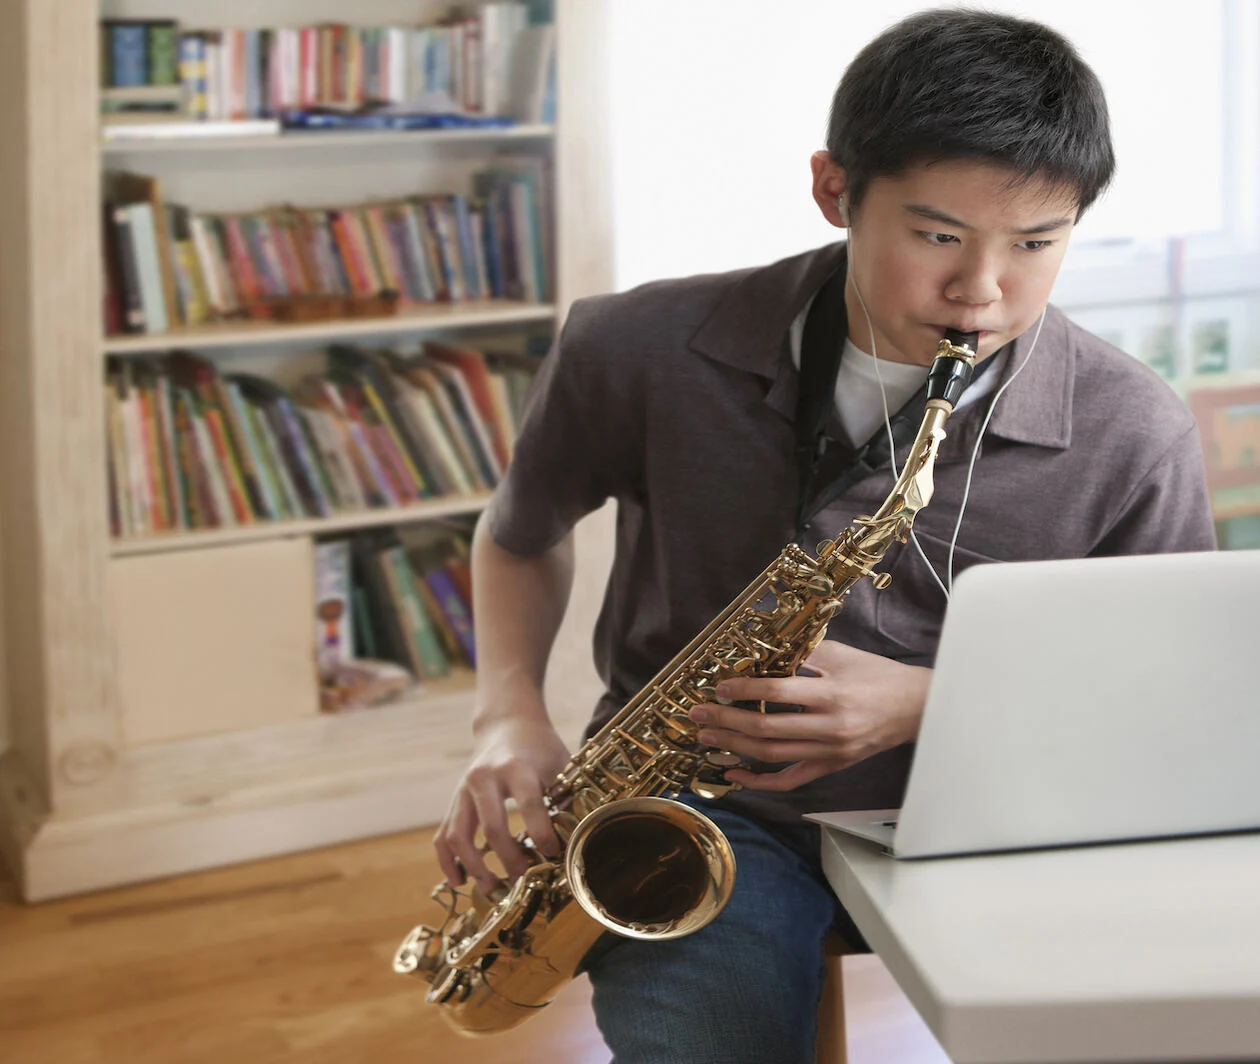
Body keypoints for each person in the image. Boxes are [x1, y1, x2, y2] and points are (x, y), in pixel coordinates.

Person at [434, 9, 1216, 1063]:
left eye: (1037, 244)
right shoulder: (635, 345)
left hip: (1006, 806)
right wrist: (508, 715)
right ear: (834, 189)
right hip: (708, 809)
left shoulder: (1135, 426)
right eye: (938, 234)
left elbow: (1172, 698)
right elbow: (520, 534)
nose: (982, 292)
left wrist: (929, 702)